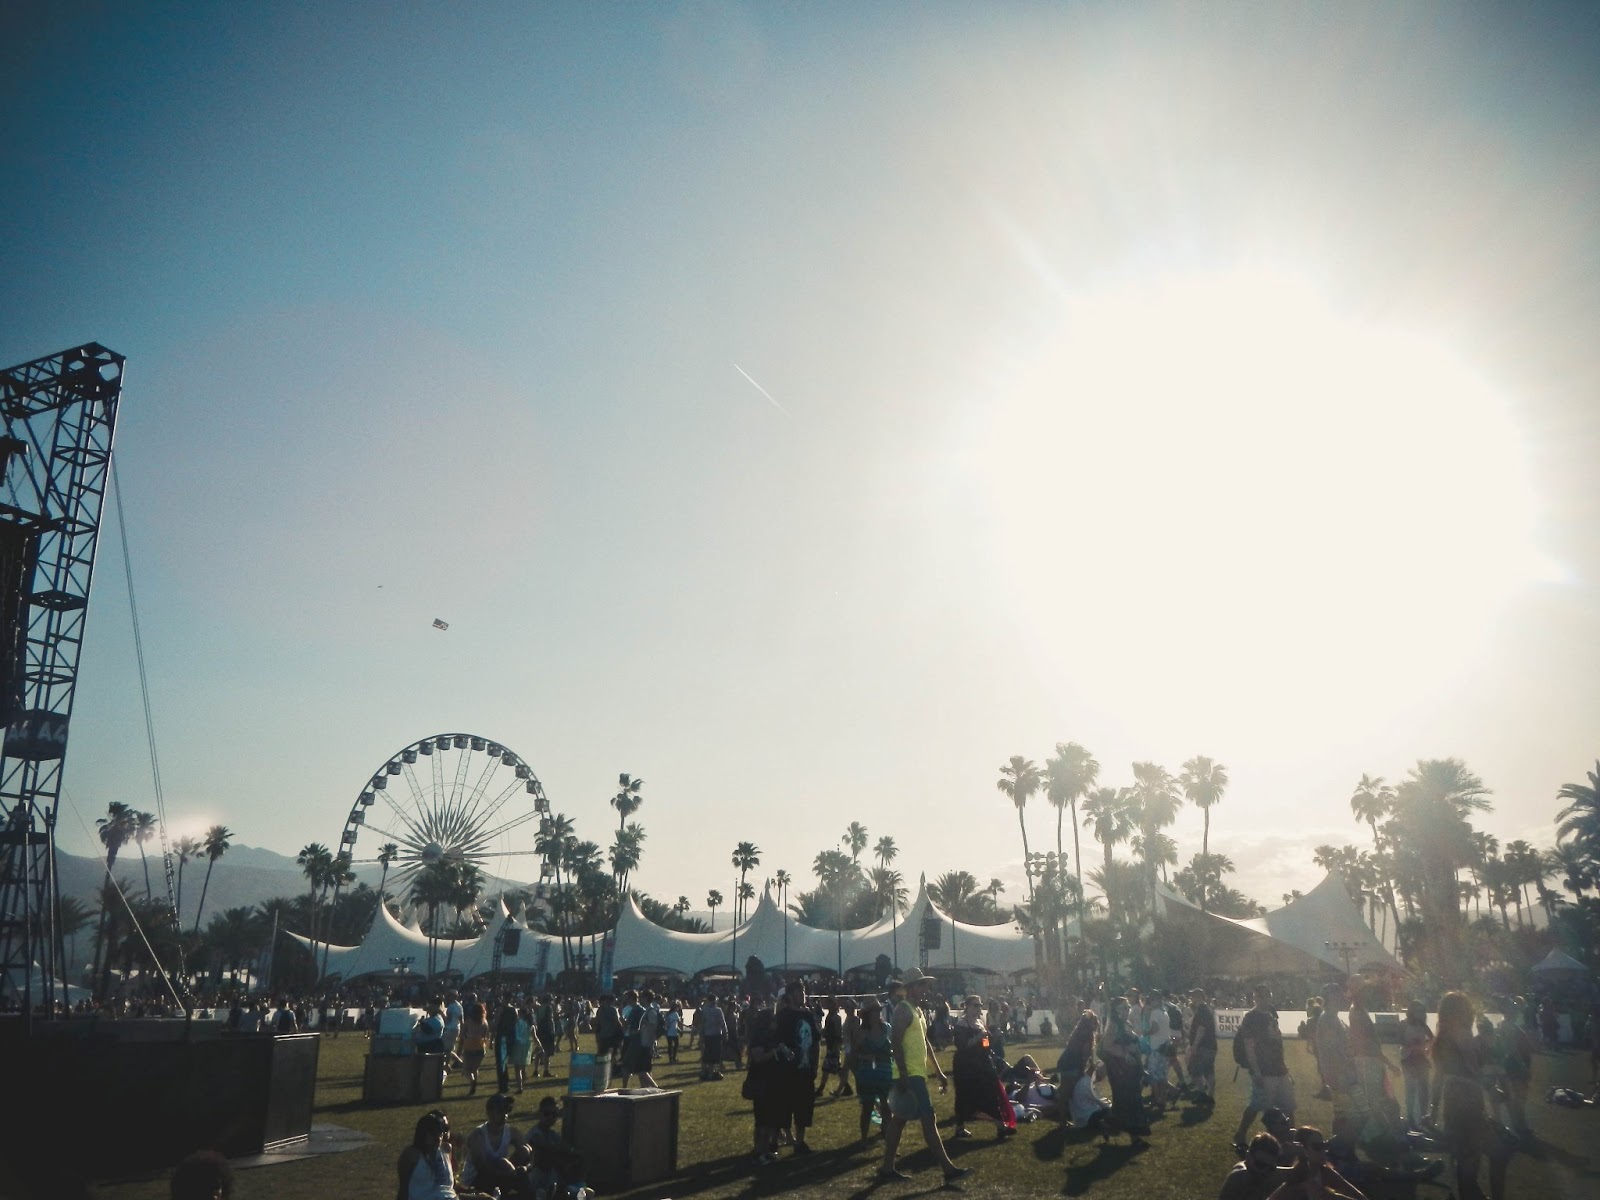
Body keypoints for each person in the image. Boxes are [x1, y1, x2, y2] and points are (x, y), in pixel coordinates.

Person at [878, 968, 972, 1183]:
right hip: (910, 1074)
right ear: (911, 987)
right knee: (928, 1119)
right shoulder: (903, 1010)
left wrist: (938, 1071)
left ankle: (887, 1168)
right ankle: (948, 1169)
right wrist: (903, 1072)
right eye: (922, 985)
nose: (926, 989)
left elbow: (925, 1043)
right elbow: (895, 1042)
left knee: (899, 1120)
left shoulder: (917, 1010)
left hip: (915, 1073)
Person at [1435, 991, 1509, 1200]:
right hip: (1465, 1104)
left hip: (1461, 1103)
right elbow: (1467, 1072)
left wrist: (1432, 1109)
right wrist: (1490, 1087)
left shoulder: (1448, 1037)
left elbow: (1442, 1076)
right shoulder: (1457, 1037)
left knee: (1469, 1160)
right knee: (1493, 1155)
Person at [1234, 986, 1295, 1153]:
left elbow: (1277, 1043)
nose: (1262, 999)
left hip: (1279, 1068)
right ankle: (1240, 1134)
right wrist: (1256, 1071)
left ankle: (1290, 1140)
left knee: (1288, 1106)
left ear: (1270, 997)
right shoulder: (1251, 1017)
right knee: (1257, 1105)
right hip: (1264, 1069)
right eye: (1259, 996)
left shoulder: (1271, 1014)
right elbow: (1249, 1046)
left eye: (1266, 995)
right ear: (1254, 998)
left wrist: (1284, 1065)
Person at [950, 994, 1016, 1140]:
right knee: (964, 1095)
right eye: (975, 1005)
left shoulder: (980, 1022)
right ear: (967, 1006)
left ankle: (1000, 1126)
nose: (978, 1008)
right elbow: (963, 1045)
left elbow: (985, 1045)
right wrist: (980, 1037)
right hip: (966, 1065)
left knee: (992, 1092)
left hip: (982, 1062)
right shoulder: (962, 1023)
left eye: (980, 1005)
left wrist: (992, 1039)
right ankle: (960, 1127)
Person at [397, 1110, 489, 1200]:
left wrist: (474, 1194)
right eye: (433, 1133)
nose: (438, 1137)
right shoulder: (412, 1155)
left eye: (441, 1132)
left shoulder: (445, 1150)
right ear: (422, 1134)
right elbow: (403, 1189)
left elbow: (451, 1188)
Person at [774, 979, 820, 1154]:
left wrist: (815, 1064)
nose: (802, 995)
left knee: (804, 1107)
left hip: (805, 1069)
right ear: (790, 995)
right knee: (784, 1106)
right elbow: (776, 1040)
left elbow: (815, 1042)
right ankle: (780, 1138)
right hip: (787, 1070)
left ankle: (800, 1142)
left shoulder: (808, 1015)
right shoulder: (783, 1016)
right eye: (798, 992)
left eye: (803, 992)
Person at [462, 1093, 531, 1197]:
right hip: (474, 1182)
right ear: (489, 1113)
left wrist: (524, 1168)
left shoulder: (511, 1132)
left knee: (524, 1151)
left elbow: (529, 1152)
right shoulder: (478, 1135)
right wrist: (509, 1173)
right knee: (504, 1165)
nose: (505, 1114)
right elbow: (482, 1168)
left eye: (507, 1110)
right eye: (500, 1110)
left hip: (499, 1176)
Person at [744, 994, 785, 1165]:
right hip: (761, 1081)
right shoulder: (758, 1037)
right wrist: (774, 1052)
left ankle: (766, 1149)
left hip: (771, 1081)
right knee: (761, 1120)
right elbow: (758, 1058)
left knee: (769, 1119)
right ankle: (758, 1150)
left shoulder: (772, 1037)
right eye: (773, 1020)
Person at [1102, 995, 1149, 1142]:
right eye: (1124, 1007)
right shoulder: (1113, 1025)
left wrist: (1139, 1064)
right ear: (1116, 1010)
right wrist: (1125, 1054)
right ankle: (1135, 1136)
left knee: (1127, 1101)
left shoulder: (1126, 1024)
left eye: (1128, 1007)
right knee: (1128, 1100)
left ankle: (1110, 1126)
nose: (1127, 1010)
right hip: (1120, 1069)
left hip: (1132, 1067)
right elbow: (1107, 1046)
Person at [523, 1096, 588, 1199]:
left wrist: (576, 1153)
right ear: (540, 1113)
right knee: (550, 1155)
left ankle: (573, 1187)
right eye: (547, 1113)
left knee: (576, 1158)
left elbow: (566, 1148)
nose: (550, 1117)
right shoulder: (535, 1134)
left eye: (554, 1114)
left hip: (551, 1174)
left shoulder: (552, 1134)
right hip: (536, 1175)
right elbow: (549, 1148)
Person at [851, 997, 895, 1142]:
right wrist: (865, 1057)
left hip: (885, 1072)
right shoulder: (861, 1032)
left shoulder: (886, 1028)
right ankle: (863, 1138)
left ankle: (888, 1135)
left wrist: (891, 1053)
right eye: (874, 1011)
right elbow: (854, 1054)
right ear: (867, 1014)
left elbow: (894, 1048)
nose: (877, 1013)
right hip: (868, 1074)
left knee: (887, 1107)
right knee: (867, 1107)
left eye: (878, 1010)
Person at [1399, 1000, 1433, 1129]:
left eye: (1422, 1011)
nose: (1420, 1014)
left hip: (1421, 1059)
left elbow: (1432, 1038)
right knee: (1410, 1088)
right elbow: (1400, 1040)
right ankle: (1411, 1118)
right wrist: (1412, 1046)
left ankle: (1423, 1116)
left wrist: (1426, 1049)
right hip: (1408, 1059)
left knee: (1424, 1089)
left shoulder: (1423, 1025)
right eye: (1418, 1011)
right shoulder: (1404, 1024)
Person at [619, 988, 660, 1089]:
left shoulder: (641, 1010)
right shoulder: (638, 1010)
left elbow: (650, 1028)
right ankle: (649, 1089)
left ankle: (656, 1089)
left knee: (636, 1068)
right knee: (641, 1070)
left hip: (639, 1041)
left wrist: (652, 1044)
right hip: (636, 1040)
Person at [1188, 987, 1218, 1107]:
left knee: (1195, 1070)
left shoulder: (1202, 1011)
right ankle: (1210, 1095)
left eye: (1193, 996)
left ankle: (1202, 1094)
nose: (1191, 998)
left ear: (1198, 997)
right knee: (1209, 1070)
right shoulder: (1207, 1009)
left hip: (1203, 1046)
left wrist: (1195, 1045)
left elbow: (1201, 1029)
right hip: (1210, 1045)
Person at [458, 1001, 490, 1095]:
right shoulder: (484, 1022)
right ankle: (474, 1081)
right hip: (480, 1046)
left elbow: (462, 1034)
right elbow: (485, 1035)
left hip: (469, 1045)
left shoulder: (468, 1021)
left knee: (466, 1069)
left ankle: (472, 1082)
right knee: (475, 1068)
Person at [697, 994, 728, 1081]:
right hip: (716, 1034)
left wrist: (701, 1034)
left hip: (707, 1035)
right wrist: (725, 1033)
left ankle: (704, 1071)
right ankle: (711, 1073)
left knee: (707, 1053)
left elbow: (702, 1023)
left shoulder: (705, 1010)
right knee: (714, 1055)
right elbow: (723, 1023)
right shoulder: (718, 1010)